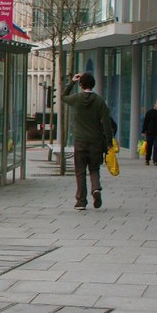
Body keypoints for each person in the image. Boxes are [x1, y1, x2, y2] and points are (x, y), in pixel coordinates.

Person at [62, 72, 115, 211]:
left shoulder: (76, 99)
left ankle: (81, 201)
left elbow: (63, 96)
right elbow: (106, 123)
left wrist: (72, 82)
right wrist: (109, 141)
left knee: (80, 171)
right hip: (96, 141)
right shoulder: (99, 101)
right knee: (94, 168)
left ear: (81, 85)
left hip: (80, 141)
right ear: (93, 85)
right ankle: (96, 189)